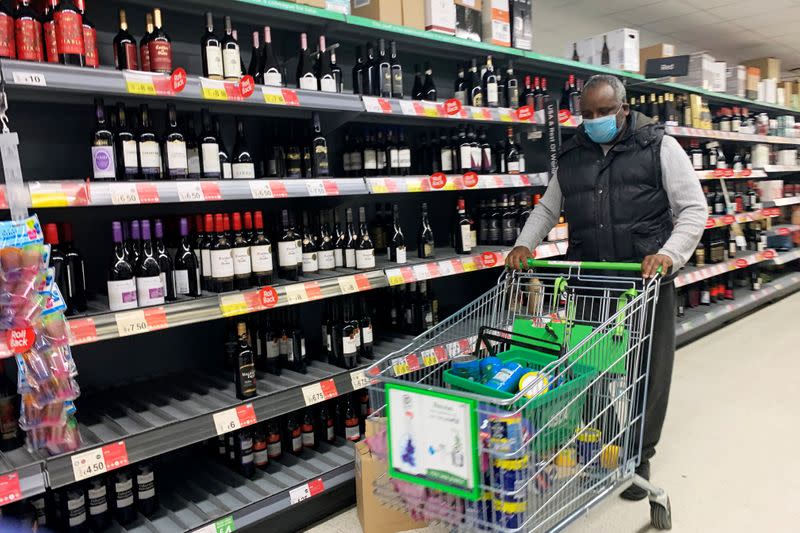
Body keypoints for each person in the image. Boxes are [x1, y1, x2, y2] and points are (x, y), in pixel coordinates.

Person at [506, 74, 707, 500]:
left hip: (645, 282)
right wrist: (525, 243)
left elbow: (693, 209)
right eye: (587, 114)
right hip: (592, 281)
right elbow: (547, 208)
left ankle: (639, 455)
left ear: (624, 108)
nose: (594, 120)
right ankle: (606, 442)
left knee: (647, 372)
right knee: (588, 367)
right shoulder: (574, 154)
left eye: (603, 112)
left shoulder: (659, 147)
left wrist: (669, 255)